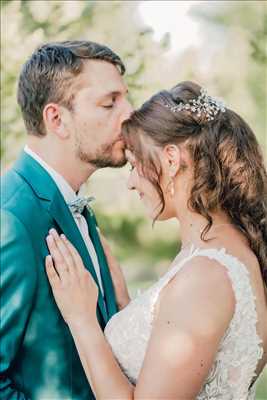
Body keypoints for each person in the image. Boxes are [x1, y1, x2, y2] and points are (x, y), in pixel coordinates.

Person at [45, 81, 267, 399]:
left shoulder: (205, 277)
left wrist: (81, 319)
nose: (131, 183)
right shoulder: (224, 251)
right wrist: (124, 303)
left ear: (172, 160)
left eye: (135, 165)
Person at [0, 40, 132, 399]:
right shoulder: (11, 219)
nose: (129, 113)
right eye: (110, 103)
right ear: (57, 119)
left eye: (126, 98)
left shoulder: (77, 203)